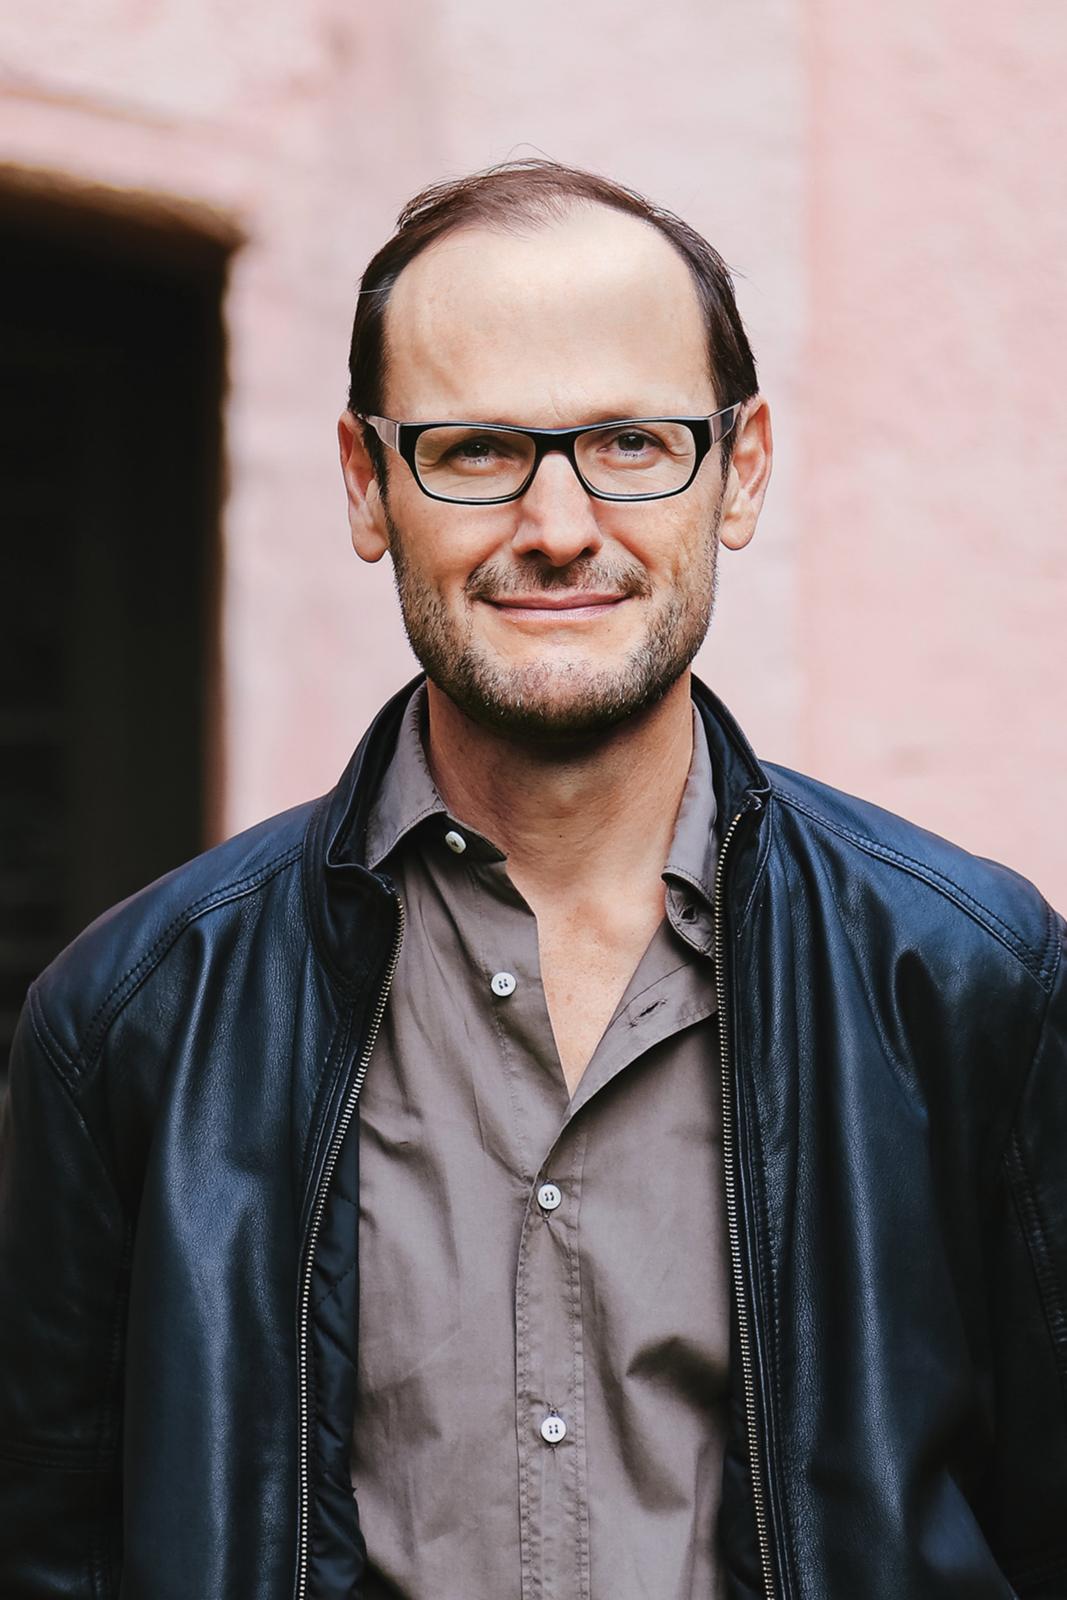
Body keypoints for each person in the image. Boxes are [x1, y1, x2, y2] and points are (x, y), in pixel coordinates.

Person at [1, 159, 1064, 1600]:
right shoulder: (130, 1024)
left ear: (742, 468)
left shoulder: (977, 981)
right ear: (367, 484)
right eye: (478, 448)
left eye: (630, 442)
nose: (559, 526)